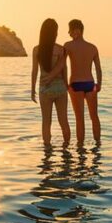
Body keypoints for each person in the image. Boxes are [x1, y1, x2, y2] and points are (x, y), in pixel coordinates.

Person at [30, 18, 71, 148]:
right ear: (55, 33)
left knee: (46, 122)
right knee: (63, 121)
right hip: (60, 88)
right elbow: (64, 69)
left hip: (44, 89)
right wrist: (66, 85)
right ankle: (66, 149)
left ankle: (47, 152)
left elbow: (34, 71)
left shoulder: (36, 50)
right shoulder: (61, 50)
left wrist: (32, 89)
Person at [63, 19, 102, 145]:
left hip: (76, 85)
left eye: (70, 30)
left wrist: (66, 84)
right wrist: (99, 84)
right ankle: (97, 145)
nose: (69, 33)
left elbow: (63, 66)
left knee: (79, 119)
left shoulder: (68, 45)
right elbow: (98, 69)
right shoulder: (92, 47)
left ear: (76, 31)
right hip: (91, 84)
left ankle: (80, 149)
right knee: (94, 117)